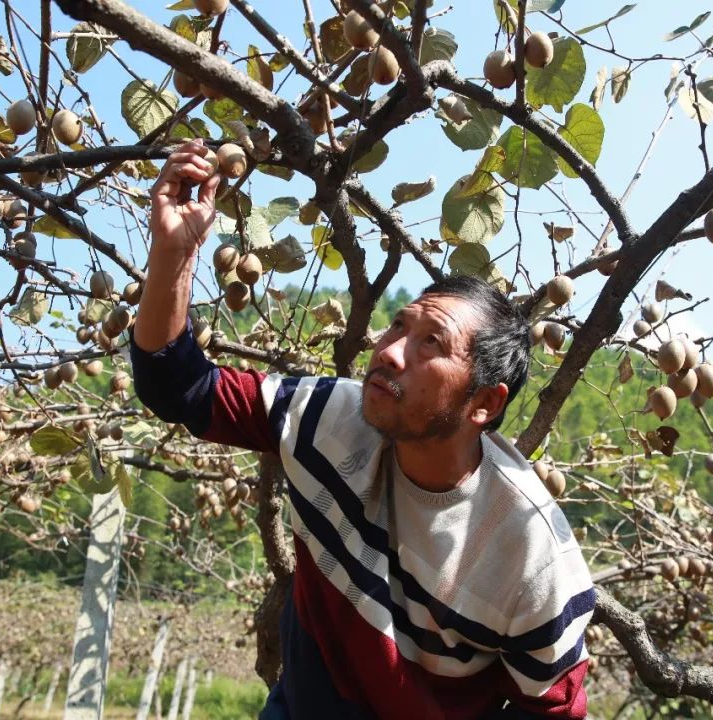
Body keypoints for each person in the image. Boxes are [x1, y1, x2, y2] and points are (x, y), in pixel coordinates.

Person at [131, 140, 596, 719]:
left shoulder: (528, 551)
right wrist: (174, 253)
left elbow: (551, 710)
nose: (391, 353)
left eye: (432, 343)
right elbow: (178, 386)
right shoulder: (333, 416)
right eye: (397, 327)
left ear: (485, 402)